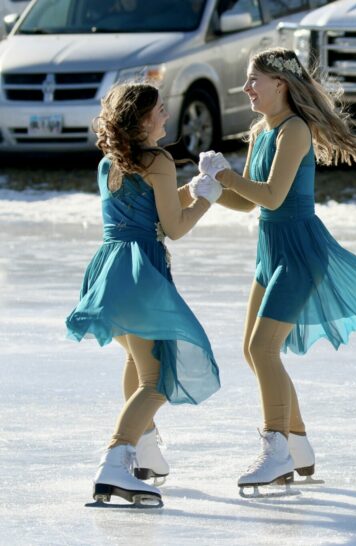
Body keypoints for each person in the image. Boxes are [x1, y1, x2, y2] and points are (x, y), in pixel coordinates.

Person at [194, 48, 356, 493]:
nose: (247, 89)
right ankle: (298, 443)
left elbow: (273, 195)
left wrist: (229, 176)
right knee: (253, 350)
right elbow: (250, 202)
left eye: (254, 80)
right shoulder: (262, 131)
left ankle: (276, 451)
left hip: (298, 251)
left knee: (264, 348)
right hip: (269, 250)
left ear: (281, 84)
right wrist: (215, 189)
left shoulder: (294, 130)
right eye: (247, 81)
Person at [65, 83, 222, 507]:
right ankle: (114, 463)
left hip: (109, 271)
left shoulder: (111, 162)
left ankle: (144, 452)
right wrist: (207, 196)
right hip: (142, 272)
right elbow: (174, 227)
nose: (166, 117)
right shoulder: (159, 160)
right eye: (159, 112)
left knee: (137, 361)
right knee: (157, 380)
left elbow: (151, 204)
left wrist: (195, 186)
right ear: (141, 120)